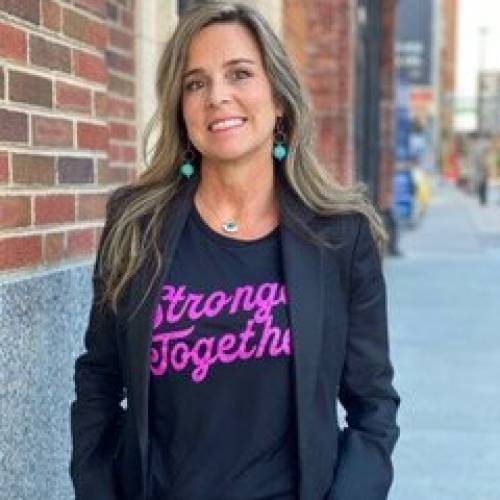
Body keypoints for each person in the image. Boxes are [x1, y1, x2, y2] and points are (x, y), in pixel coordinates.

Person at [69, 2, 400, 499]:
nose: (217, 97)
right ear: (181, 108)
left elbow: (372, 405)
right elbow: (99, 380)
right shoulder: (135, 225)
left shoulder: (340, 236)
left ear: (280, 98)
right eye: (195, 83)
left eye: (240, 74)